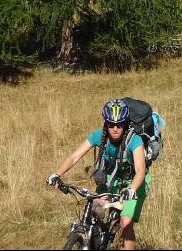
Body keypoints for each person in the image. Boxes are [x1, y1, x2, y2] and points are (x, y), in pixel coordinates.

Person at [47, 99, 150, 250]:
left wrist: (131, 189)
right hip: (110, 180)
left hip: (133, 183)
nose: (115, 128)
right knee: (95, 212)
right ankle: (99, 239)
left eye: (119, 125)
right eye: (111, 124)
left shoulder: (134, 140)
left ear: (126, 124)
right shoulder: (98, 136)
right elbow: (74, 156)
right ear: (106, 124)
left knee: (125, 222)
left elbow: (140, 170)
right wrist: (56, 174)